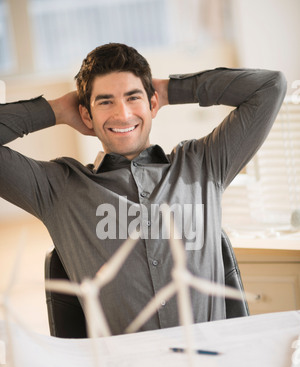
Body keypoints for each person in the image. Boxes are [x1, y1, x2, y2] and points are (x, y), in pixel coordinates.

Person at [0, 43, 286, 335]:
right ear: (86, 116)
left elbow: (270, 87)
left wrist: (171, 91)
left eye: (133, 97)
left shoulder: (204, 164)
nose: (122, 114)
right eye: (105, 102)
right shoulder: (59, 189)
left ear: (152, 105)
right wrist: (59, 110)